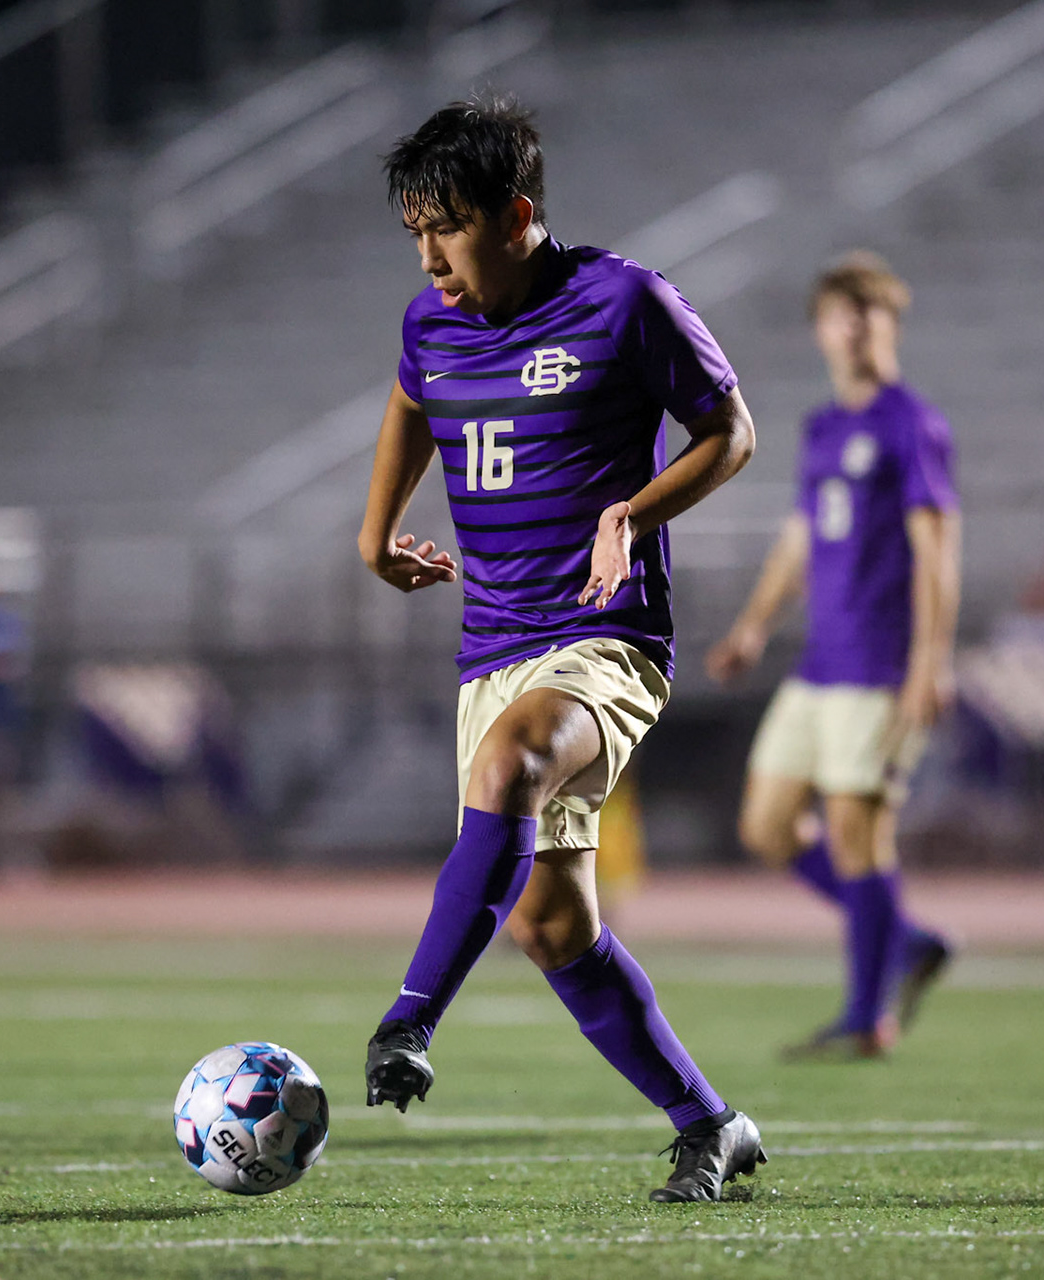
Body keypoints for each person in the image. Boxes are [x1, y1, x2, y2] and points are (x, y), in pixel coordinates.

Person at [356, 96, 764, 1203]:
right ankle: (710, 1123)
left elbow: (731, 431)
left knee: (513, 762)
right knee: (549, 922)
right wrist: (376, 525)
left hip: (604, 637)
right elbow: (411, 399)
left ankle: (408, 1016)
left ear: (518, 214)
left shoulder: (624, 300)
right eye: (415, 234)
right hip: (490, 643)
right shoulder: (429, 322)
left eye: (448, 228)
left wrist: (629, 513)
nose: (432, 256)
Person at [707, 252, 961, 1060]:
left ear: (890, 324)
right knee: (768, 825)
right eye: (839, 314)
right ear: (820, 329)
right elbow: (800, 536)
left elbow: (937, 550)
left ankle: (864, 1015)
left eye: (868, 313)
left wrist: (930, 662)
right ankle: (907, 943)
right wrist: (753, 625)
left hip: (883, 665)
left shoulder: (909, 423)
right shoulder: (823, 427)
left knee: (857, 835)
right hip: (820, 663)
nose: (853, 327)